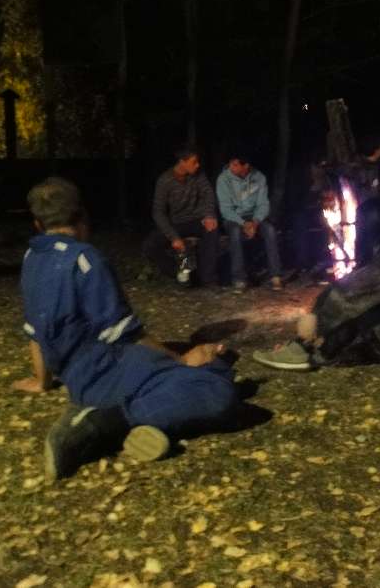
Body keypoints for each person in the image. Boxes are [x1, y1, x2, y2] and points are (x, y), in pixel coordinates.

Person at [14, 177, 238, 480]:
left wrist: (42, 381)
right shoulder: (84, 259)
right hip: (105, 372)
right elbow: (126, 334)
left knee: (200, 367)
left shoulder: (32, 257)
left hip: (77, 378)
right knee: (218, 386)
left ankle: (145, 426)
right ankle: (104, 424)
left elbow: (35, 330)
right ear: (83, 216)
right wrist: (181, 359)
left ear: (38, 224)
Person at [252, 197, 380, 383]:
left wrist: (308, 332)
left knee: (361, 305)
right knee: (364, 301)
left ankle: (304, 352)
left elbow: (344, 295)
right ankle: (311, 350)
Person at [143, 147, 219, 287]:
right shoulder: (165, 180)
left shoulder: (198, 176)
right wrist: (173, 237)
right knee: (150, 245)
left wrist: (209, 215)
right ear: (182, 162)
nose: (197, 165)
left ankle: (207, 278)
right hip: (177, 223)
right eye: (194, 162)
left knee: (212, 230)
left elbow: (208, 195)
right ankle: (180, 273)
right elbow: (158, 212)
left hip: (197, 220)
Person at [216, 150, 283, 292]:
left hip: (254, 218)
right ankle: (239, 279)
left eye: (235, 165)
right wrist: (244, 223)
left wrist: (255, 222)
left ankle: (275, 276)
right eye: (230, 164)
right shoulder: (223, 179)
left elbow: (263, 205)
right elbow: (226, 210)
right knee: (235, 232)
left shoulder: (259, 178)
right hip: (234, 218)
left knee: (270, 230)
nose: (231, 168)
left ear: (245, 166)